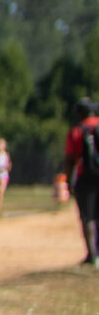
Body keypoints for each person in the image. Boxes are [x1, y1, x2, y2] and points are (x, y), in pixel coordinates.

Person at [63, 101, 99, 266]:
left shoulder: (77, 131)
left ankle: (92, 256)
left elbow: (70, 159)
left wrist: (68, 181)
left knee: (88, 216)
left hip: (85, 177)